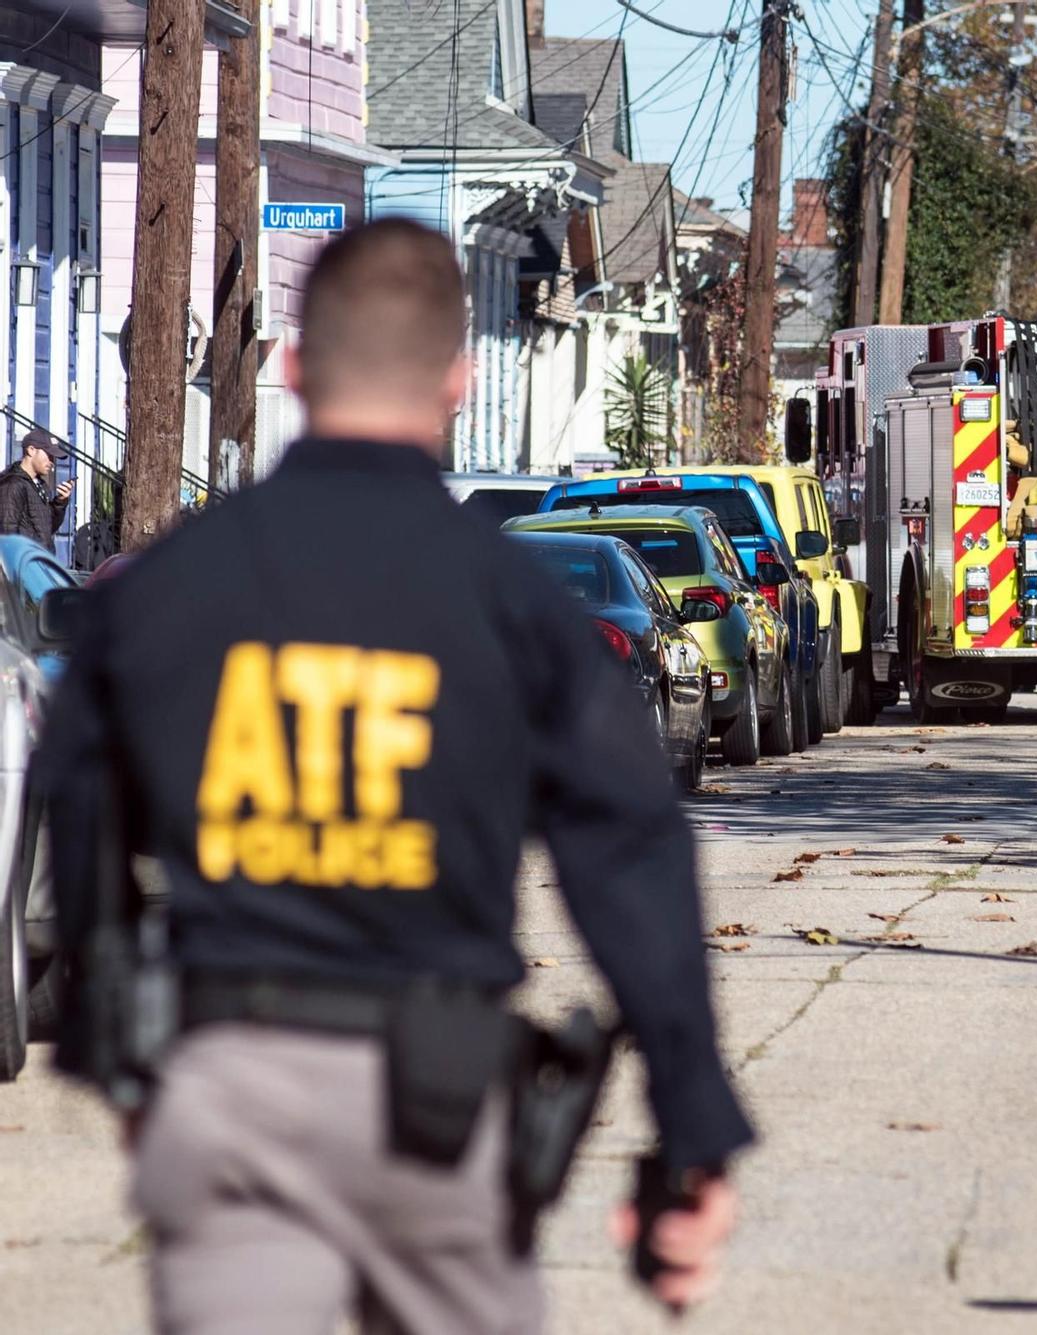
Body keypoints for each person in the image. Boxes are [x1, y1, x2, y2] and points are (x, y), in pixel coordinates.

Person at [37, 219, 751, 1333]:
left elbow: (74, 814)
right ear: (459, 379)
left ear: (293, 365)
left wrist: (112, 1048)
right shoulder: (516, 609)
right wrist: (691, 1122)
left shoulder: (163, 592)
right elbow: (629, 851)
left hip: (225, 1086)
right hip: (436, 1100)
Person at [0, 426, 72, 551]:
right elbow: (7, 534)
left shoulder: (41, 485)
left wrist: (60, 502)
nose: (52, 461)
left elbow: (45, 530)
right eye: (49, 455)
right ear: (31, 450)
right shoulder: (12, 485)